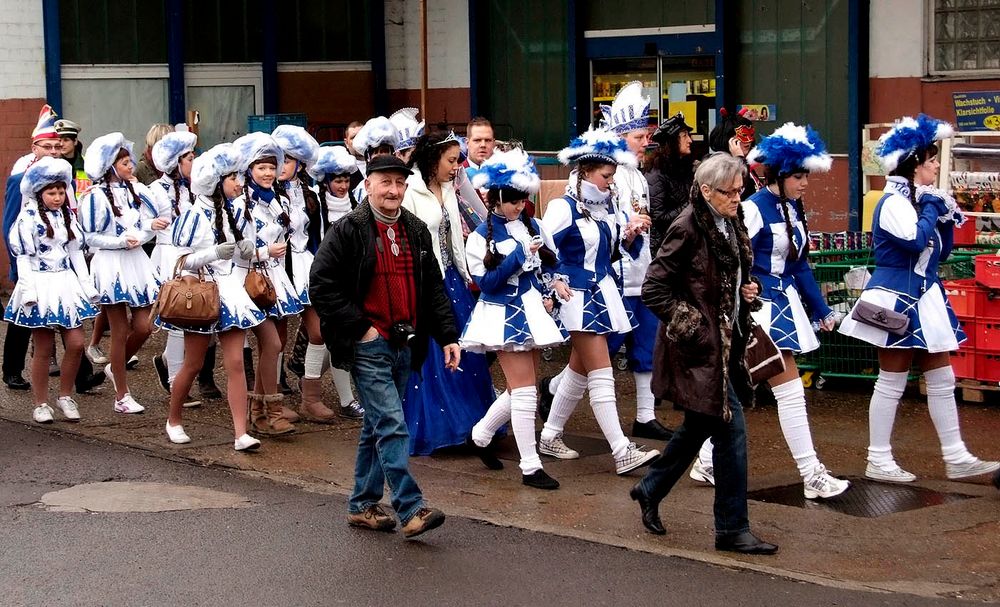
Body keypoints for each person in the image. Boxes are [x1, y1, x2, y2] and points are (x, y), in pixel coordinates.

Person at [629, 153, 778, 555]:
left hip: (725, 344)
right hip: (699, 350)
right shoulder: (687, 226)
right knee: (733, 433)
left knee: (699, 426)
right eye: (729, 192)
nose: (737, 197)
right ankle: (732, 529)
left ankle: (650, 487)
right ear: (706, 191)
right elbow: (654, 290)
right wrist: (693, 326)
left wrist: (749, 291)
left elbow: (732, 275)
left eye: (740, 189)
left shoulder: (732, 218)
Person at [839, 114, 999, 483]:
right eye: (931, 161)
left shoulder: (916, 200)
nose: (937, 165)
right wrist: (930, 208)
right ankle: (877, 458)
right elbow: (911, 241)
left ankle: (956, 456)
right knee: (891, 379)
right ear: (914, 165)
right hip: (895, 297)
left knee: (943, 377)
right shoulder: (893, 202)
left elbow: (938, 254)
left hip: (925, 297)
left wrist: (944, 216)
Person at [309, 154, 456, 539]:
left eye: (399, 183)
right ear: (369, 185)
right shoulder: (348, 230)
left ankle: (362, 504)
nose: (393, 190)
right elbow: (321, 284)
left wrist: (448, 336)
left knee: (377, 425)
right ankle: (410, 508)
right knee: (392, 424)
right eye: (385, 182)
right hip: (368, 346)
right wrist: (361, 329)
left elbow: (434, 288)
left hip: (405, 343)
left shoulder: (416, 230)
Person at [720, 123, 848, 499]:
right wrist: (744, 290)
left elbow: (800, 265)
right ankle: (812, 474)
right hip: (758, 309)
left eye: (806, 174)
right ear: (779, 173)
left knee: (740, 390)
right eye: (798, 175)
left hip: (783, 306)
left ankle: (707, 461)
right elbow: (731, 255)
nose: (805, 182)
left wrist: (821, 309)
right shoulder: (754, 209)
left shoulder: (792, 208)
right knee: (789, 391)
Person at [538, 126, 660, 475]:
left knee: (578, 371)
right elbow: (545, 251)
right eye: (606, 176)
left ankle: (548, 434)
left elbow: (621, 252)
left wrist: (632, 234)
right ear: (586, 172)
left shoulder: (607, 208)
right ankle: (622, 450)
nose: (611, 182)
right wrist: (555, 283)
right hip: (576, 297)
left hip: (603, 294)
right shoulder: (563, 208)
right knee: (602, 372)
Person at [462, 148, 569, 489]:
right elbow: (487, 283)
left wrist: (555, 287)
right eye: (512, 201)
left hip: (534, 310)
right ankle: (530, 466)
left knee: (517, 389)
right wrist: (519, 256)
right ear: (494, 200)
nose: (519, 206)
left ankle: (478, 436)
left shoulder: (534, 225)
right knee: (525, 393)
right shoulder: (480, 237)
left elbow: (554, 264)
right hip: (500, 314)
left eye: (523, 199)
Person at [158, 142, 262, 451]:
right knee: (193, 363)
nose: (239, 183)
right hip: (202, 296)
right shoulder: (192, 215)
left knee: (236, 364)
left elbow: (241, 251)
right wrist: (211, 254)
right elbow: (180, 261)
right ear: (216, 181)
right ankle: (173, 419)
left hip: (230, 293)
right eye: (233, 178)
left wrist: (247, 251)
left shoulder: (232, 212)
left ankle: (241, 433)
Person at [400, 131, 495, 455]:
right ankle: (438, 429)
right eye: (451, 161)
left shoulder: (448, 188)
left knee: (467, 352)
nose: (456, 168)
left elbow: (458, 232)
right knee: (433, 357)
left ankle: (474, 425)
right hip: (425, 281)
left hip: (453, 278)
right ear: (433, 159)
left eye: (458, 161)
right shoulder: (409, 189)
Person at [4, 157, 99, 423]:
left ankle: (65, 395)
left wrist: (87, 285)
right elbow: (23, 258)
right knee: (43, 348)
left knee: (77, 343)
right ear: (39, 193)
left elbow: (75, 253)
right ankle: (41, 403)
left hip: (66, 284)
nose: (57, 197)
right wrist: (28, 292)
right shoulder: (28, 219)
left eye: (60, 192)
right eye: (51, 192)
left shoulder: (67, 216)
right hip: (40, 283)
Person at [78, 132, 161, 413]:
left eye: (129, 160)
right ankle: (121, 396)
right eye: (124, 162)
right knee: (119, 328)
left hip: (136, 262)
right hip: (111, 264)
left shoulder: (136, 191)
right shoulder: (95, 197)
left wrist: (148, 231)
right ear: (110, 166)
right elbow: (90, 236)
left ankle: (115, 367)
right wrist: (120, 241)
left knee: (145, 325)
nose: (130, 166)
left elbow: (147, 224)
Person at [283, 145, 365, 418]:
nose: (341, 186)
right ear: (326, 181)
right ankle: (343, 399)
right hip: (324, 276)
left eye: (345, 180)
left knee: (341, 337)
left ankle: (307, 376)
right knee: (330, 335)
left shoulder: (358, 205)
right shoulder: (316, 204)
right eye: (336, 180)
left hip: (353, 278)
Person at [232, 132, 304, 435]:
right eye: (261, 167)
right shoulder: (239, 204)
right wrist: (264, 251)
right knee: (271, 344)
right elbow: (233, 248)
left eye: (272, 167)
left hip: (274, 277)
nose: (268, 173)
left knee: (272, 345)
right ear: (249, 169)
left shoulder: (279, 200)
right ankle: (269, 410)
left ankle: (260, 411)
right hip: (249, 280)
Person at [272, 124, 341, 422]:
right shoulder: (264, 193)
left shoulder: (310, 194)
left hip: (305, 266)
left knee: (319, 331)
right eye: (277, 160)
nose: (280, 166)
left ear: (299, 163)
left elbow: (319, 235)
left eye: (287, 160)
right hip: (276, 268)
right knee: (276, 337)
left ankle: (310, 397)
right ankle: (270, 398)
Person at [148, 131, 220, 403]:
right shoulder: (155, 190)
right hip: (172, 257)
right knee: (179, 321)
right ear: (175, 163)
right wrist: (149, 226)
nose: (195, 161)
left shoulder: (195, 189)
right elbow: (142, 223)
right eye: (189, 158)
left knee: (201, 318)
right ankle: (176, 382)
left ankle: (170, 363)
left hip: (200, 257)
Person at [4, 104, 63, 391]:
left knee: (69, 311)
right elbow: (9, 225)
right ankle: (12, 369)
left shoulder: (61, 180)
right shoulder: (20, 179)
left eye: (57, 146)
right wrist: (17, 266)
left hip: (58, 260)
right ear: (34, 148)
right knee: (24, 316)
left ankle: (81, 374)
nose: (53, 151)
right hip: (29, 260)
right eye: (47, 146)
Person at [646, 113, 694, 253]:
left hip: (684, 244)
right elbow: (659, 218)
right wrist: (692, 204)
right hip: (666, 249)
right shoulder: (656, 174)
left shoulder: (685, 168)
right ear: (673, 141)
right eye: (684, 136)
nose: (690, 140)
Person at [709, 107, 762, 196]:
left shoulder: (747, 161)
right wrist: (739, 159)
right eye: (744, 135)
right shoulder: (718, 165)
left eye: (751, 135)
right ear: (729, 139)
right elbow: (737, 191)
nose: (748, 140)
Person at [350, 116, 400, 203]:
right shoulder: (361, 190)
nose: (381, 156)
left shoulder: (400, 183)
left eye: (384, 151)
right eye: (376, 152)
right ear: (368, 158)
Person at [54, 119, 89, 202]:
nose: (61, 144)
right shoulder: (53, 166)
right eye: (59, 140)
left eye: (66, 140)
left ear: (75, 141)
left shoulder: (88, 164)